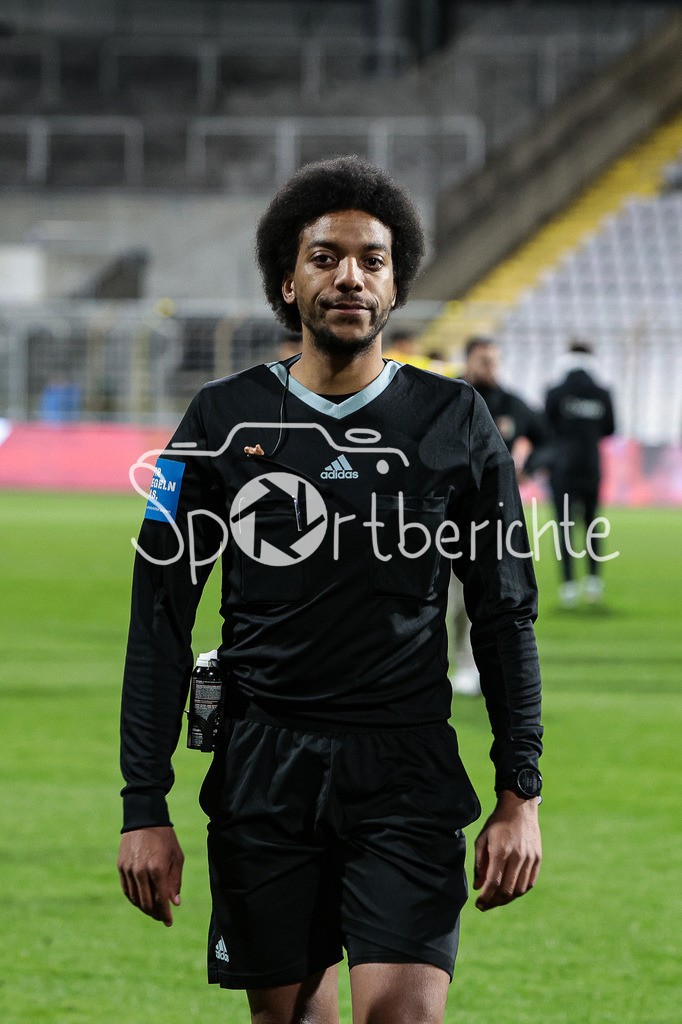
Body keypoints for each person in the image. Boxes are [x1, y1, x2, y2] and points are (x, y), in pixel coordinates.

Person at [118, 156, 543, 1024]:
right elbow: (158, 619)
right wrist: (143, 806)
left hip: (406, 772)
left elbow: (505, 615)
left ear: (395, 286)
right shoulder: (212, 421)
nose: (350, 275)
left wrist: (519, 794)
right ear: (288, 278)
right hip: (261, 773)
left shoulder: (457, 420)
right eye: (325, 256)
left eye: (373, 260)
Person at [450, 336, 548, 696]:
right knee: (454, 599)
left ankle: (490, 666)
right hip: (451, 515)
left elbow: (547, 438)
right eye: (484, 361)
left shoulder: (512, 404)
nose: (491, 368)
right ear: (469, 361)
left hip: (501, 516)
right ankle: (459, 663)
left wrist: (527, 465)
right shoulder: (446, 396)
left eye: (495, 361)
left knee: (504, 594)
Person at [545, 341, 615, 607]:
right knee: (591, 524)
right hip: (591, 465)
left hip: (561, 466)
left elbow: (547, 425)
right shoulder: (602, 392)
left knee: (564, 526)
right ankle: (594, 582)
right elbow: (610, 427)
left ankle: (568, 585)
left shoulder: (555, 390)